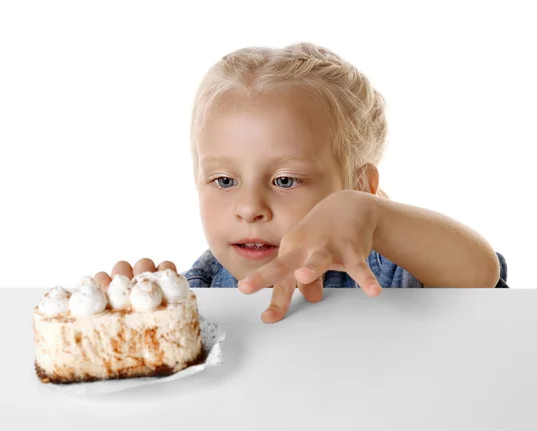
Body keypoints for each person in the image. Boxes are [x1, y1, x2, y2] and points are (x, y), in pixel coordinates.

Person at [92, 43, 508, 324]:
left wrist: (374, 218)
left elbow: (480, 274)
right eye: (223, 180)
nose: (249, 206)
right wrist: (140, 315)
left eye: (285, 180)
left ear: (360, 187)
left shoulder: (388, 271)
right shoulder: (200, 292)